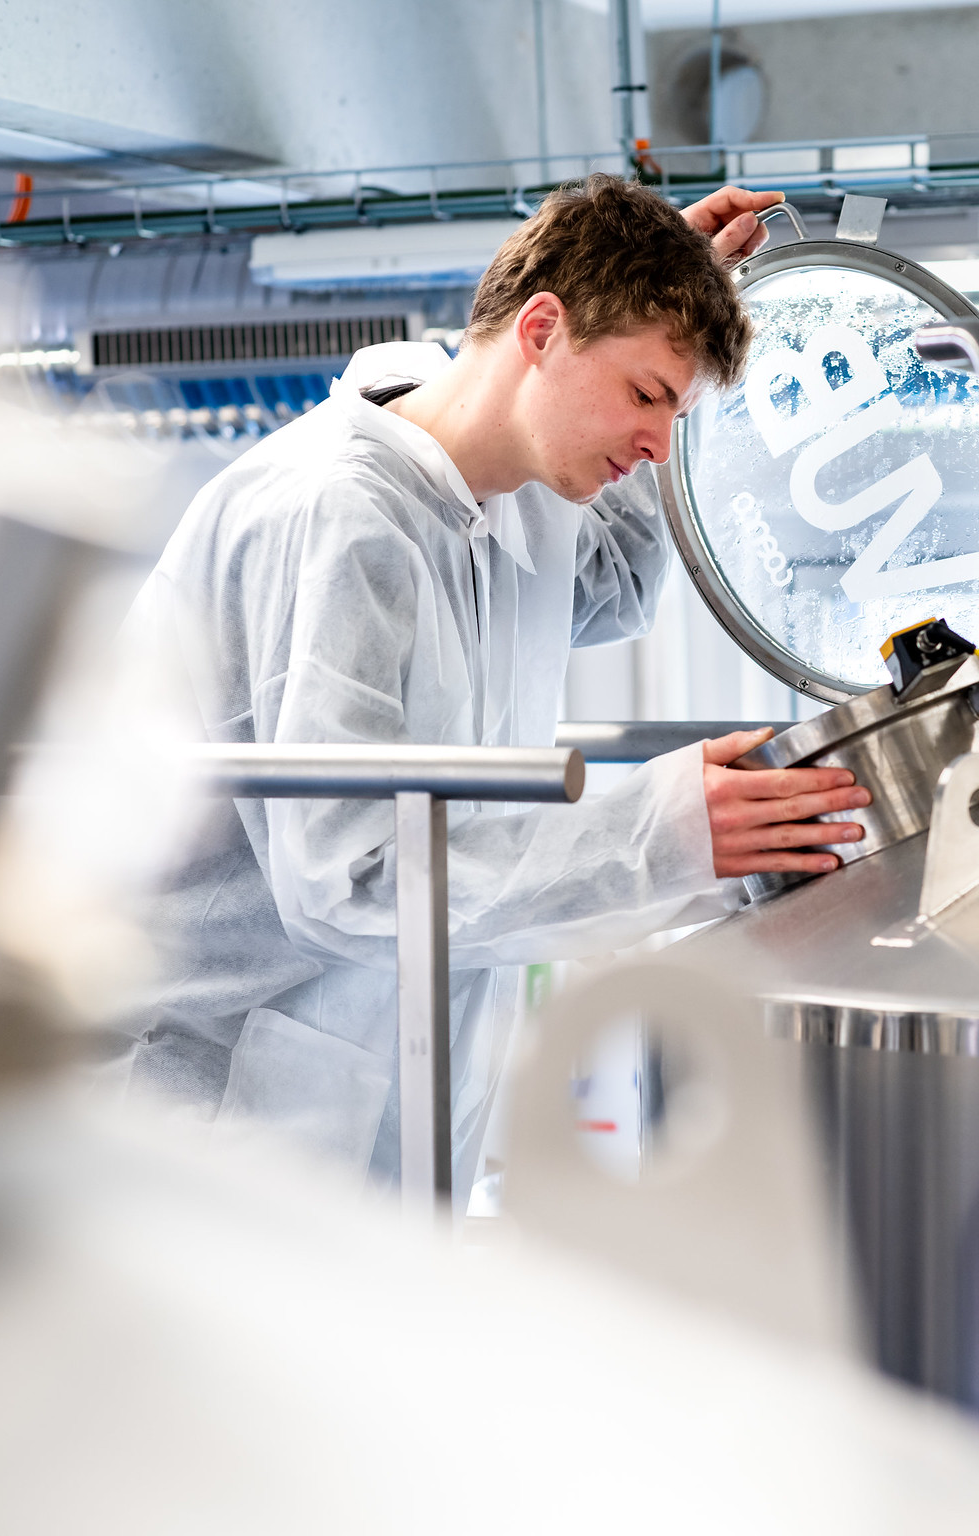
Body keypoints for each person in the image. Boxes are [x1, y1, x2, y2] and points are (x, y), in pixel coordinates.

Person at [119, 176, 865, 1187]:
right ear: (542, 327)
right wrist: (661, 833)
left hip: (389, 1090)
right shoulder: (340, 518)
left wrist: (674, 307)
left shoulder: (503, 504)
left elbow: (616, 586)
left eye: (675, 418)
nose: (656, 446)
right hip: (214, 1112)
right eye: (646, 396)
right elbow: (347, 882)